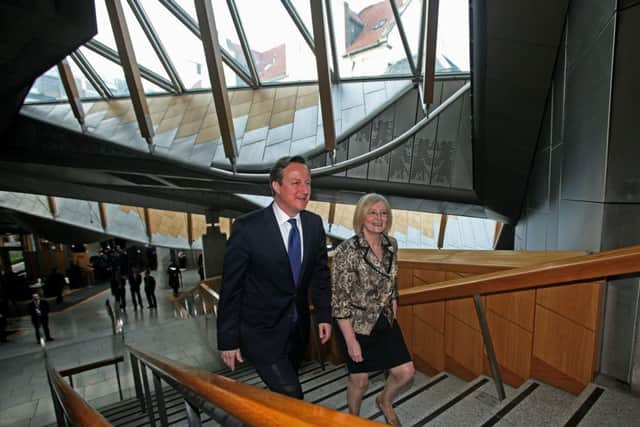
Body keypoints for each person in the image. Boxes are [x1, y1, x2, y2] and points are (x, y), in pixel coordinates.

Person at [217, 155, 332, 399]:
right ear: (276, 186)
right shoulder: (247, 228)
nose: (304, 190)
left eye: (308, 183)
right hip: (260, 333)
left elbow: (320, 274)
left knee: (282, 397)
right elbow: (231, 287)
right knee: (293, 396)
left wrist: (323, 315)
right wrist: (227, 339)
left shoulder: (314, 224)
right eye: (296, 183)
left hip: (297, 331)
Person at [331, 193, 414, 427]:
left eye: (383, 213)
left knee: (405, 372)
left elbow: (392, 281)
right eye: (372, 212)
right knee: (360, 380)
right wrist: (350, 341)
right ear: (361, 216)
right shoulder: (347, 251)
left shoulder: (391, 244)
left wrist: (393, 309)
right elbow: (339, 301)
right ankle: (353, 421)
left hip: (385, 319)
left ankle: (384, 401)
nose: (379, 218)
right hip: (354, 324)